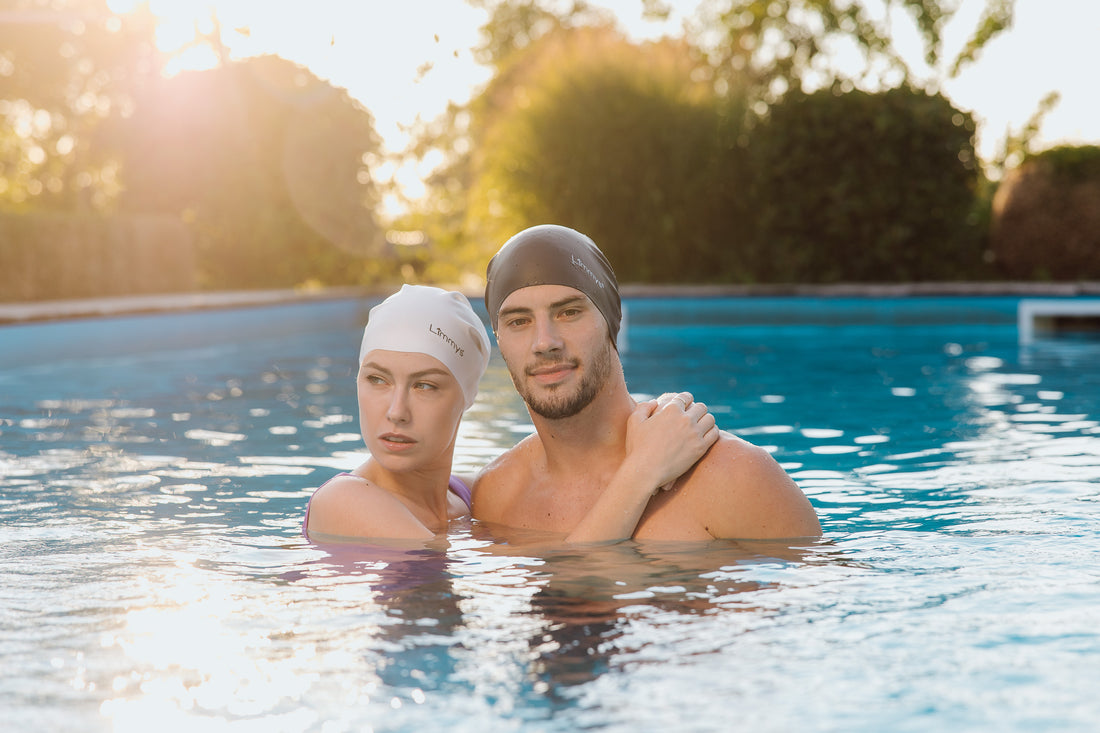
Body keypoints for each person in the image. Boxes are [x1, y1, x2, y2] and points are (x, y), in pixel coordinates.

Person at [472, 224, 822, 543]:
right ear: (499, 340)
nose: (545, 342)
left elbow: (822, 597)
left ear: (611, 322)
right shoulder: (496, 496)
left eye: (569, 312)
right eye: (519, 321)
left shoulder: (734, 477)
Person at [303, 283, 716, 543]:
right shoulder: (345, 501)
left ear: (465, 397)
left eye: (425, 385)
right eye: (377, 380)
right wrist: (643, 470)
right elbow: (577, 583)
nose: (395, 411)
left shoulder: (472, 499)